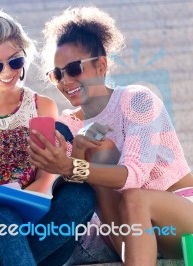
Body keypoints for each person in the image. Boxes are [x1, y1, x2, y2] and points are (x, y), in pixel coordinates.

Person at [29, 6, 193, 265]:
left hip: (181, 215)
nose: (65, 80)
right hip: (127, 233)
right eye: (57, 74)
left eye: (73, 69)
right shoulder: (68, 125)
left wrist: (73, 165)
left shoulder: (137, 100)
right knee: (97, 158)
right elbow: (74, 196)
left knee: (133, 194)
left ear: (101, 65)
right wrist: (74, 159)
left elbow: (134, 176)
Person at [0, 8, 96, 266]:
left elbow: (44, 178)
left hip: (30, 222)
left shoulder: (41, 105)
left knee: (81, 195)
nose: (7, 72)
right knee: (3, 214)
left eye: (15, 61)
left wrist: (25, 198)